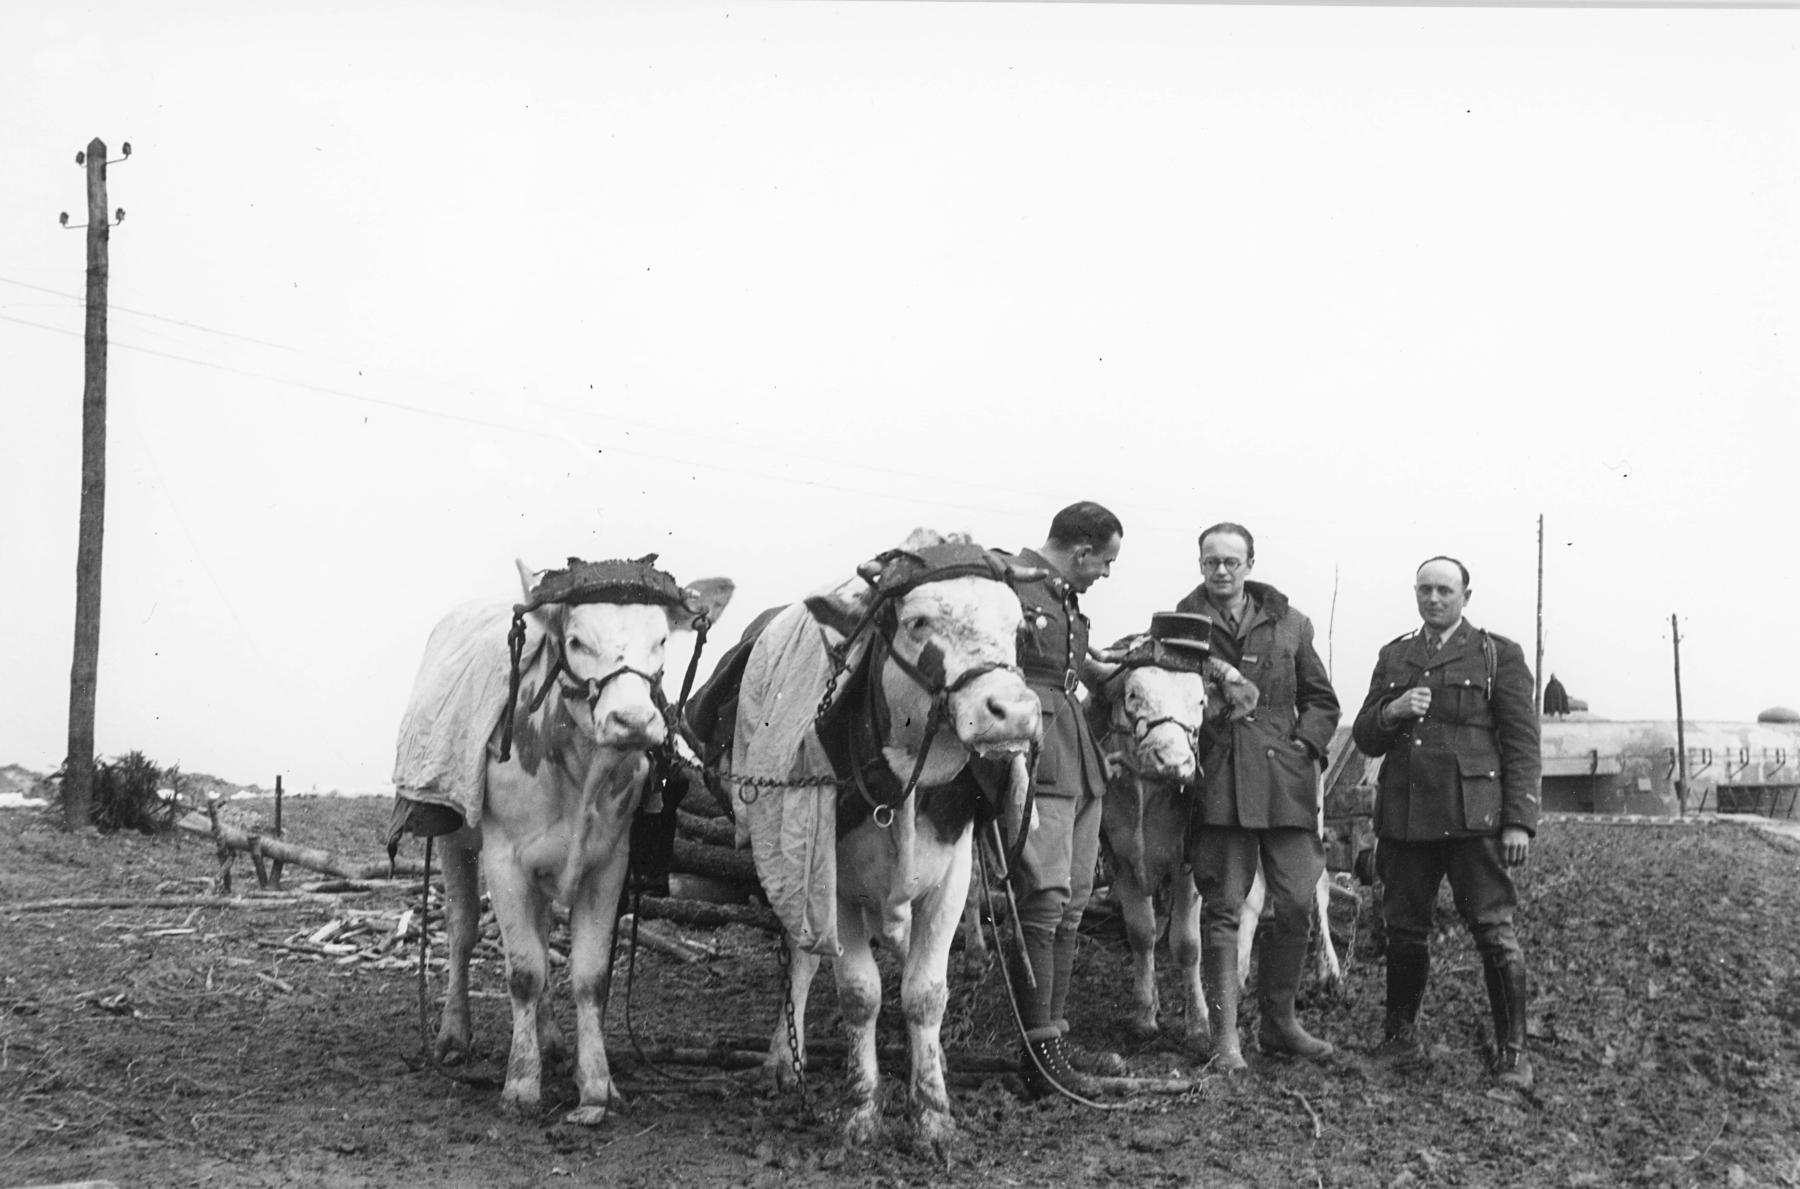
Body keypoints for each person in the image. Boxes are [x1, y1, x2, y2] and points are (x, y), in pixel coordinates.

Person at [1351, 556, 1542, 1090]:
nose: (1434, 600)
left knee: (1494, 932)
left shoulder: (1496, 654)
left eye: (1445, 591)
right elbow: (1366, 735)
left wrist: (1519, 821)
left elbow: (1522, 741)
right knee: (1404, 931)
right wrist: (1392, 712)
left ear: (1466, 595)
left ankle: (1514, 1053)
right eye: (1425, 590)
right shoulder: (1395, 655)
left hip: (1473, 818)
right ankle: (1399, 1039)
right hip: (1407, 818)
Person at [1176, 522, 1340, 1071]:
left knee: (1296, 899)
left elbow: (1321, 701)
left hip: (1284, 782)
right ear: (1200, 564)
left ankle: (1281, 1023)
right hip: (1219, 780)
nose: (1220, 571)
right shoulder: (1181, 625)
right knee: (1222, 908)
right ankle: (1226, 1039)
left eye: (1231, 561)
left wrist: (1303, 745)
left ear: (1249, 563)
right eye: (1210, 561)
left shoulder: (1291, 624)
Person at [1006, 500, 1123, 1098]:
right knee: (1045, 902)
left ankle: (1054, 1038)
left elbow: (1082, 667)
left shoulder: (1059, 594)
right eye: (1104, 563)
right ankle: (1039, 1052)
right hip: (1037, 752)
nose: (1103, 575)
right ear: (1081, 552)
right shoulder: (1011, 585)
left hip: (1075, 753)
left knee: (1073, 901)